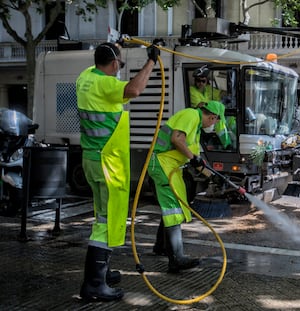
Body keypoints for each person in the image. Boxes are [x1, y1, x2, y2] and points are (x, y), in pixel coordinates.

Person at [76, 42, 160, 301]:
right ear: (114, 64)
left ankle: (102, 274)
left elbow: (111, 81)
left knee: (102, 217)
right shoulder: (107, 85)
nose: (119, 68)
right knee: (105, 222)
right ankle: (93, 285)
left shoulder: (85, 78)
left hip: (91, 158)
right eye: (120, 64)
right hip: (107, 163)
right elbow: (135, 89)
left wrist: (116, 47)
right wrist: (151, 62)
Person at [148, 100, 224, 273]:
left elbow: (196, 160)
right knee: (172, 209)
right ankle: (176, 259)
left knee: (173, 208)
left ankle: (161, 247)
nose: (214, 125)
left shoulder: (195, 127)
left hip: (170, 167)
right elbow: (176, 139)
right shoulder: (191, 115)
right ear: (212, 117)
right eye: (216, 122)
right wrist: (192, 157)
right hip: (161, 164)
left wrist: (214, 177)